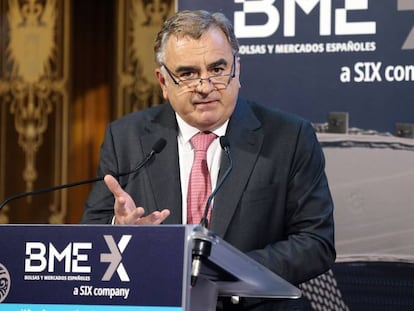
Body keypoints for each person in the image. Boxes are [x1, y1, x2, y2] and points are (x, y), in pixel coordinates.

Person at [81, 10, 335, 310]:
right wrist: (120, 229)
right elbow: (90, 236)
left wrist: (224, 269)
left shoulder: (289, 137)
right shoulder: (125, 138)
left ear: (237, 69)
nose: (205, 86)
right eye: (187, 74)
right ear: (163, 81)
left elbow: (315, 243)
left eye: (217, 69)